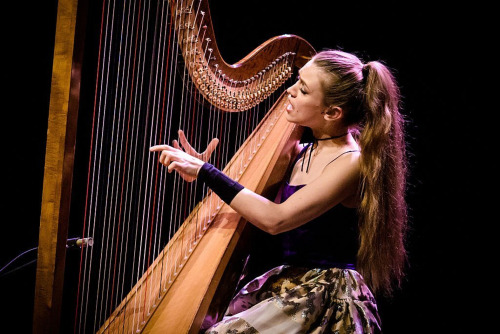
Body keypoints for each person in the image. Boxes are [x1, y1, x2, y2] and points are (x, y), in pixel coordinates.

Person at [150, 49, 408, 333]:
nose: (290, 91)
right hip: (287, 283)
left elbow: (276, 219)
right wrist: (202, 169)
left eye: (303, 90)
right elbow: (250, 200)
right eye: (297, 81)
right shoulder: (301, 151)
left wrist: (207, 173)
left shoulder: (351, 163)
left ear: (332, 112)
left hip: (322, 294)